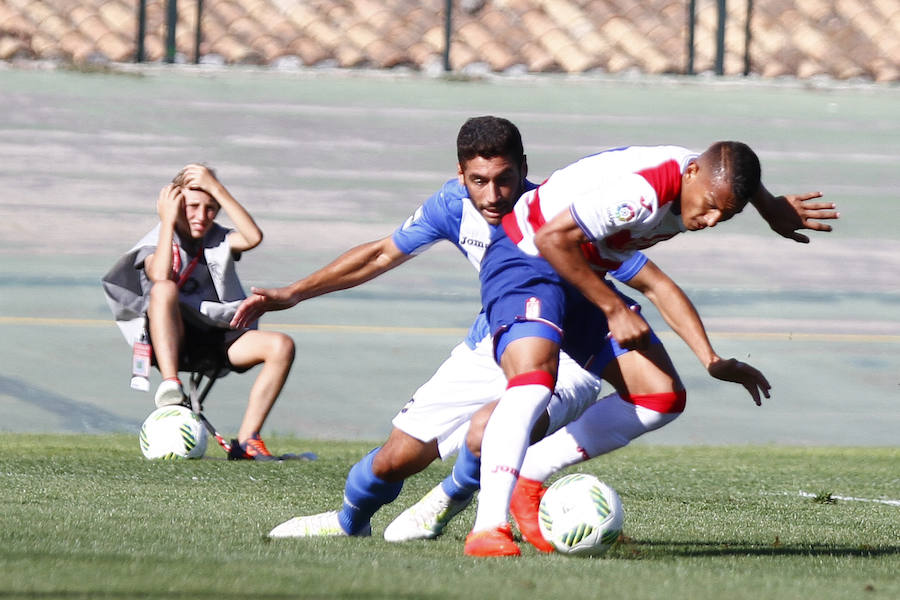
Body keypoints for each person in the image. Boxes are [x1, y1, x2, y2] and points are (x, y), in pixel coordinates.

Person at [231, 118, 836, 540]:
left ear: (526, 170)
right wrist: (292, 292)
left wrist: (766, 208)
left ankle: (466, 506)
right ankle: (347, 521)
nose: (492, 194)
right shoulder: (453, 207)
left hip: (565, 334)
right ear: (461, 176)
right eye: (477, 181)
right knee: (396, 460)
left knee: (502, 419)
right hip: (491, 337)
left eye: (504, 178)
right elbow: (379, 255)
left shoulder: (582, 212)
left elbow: (658, 260)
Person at [462, 141, 814, 557]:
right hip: (526, 255)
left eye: (729, 213)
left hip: (583, 269)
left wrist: (711, 359)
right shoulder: (642, 194)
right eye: (711, 205)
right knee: (534, 382)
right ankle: (488, 530)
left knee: (661, 397)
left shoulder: (706, 181)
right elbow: (552, 238)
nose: (714, 219)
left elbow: (662, 279)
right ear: (691, 175)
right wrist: (612, 308)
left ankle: (530, 477)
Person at [103, 164, 296, 461]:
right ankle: (171, 385)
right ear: (176, 205)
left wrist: (216, 187)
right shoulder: (157, 240)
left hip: (218, 338)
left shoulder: (218, 238)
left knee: (281, 345)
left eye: (210, 208)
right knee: (164, 289)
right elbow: (161, 275)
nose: (202, 216)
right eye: (193, 206)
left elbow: (253, 237)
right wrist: (167, 222)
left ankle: (247, 441)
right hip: (172, 341)